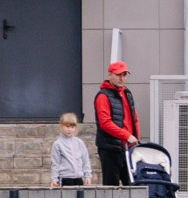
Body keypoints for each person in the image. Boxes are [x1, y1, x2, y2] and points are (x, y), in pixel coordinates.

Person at [93, 59, 138, 188]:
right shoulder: (103, 96)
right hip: (110, 149)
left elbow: (134, 119)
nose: (122, 78)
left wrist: (136, 140)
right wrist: (127, 136)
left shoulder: (127, 93)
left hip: (127, 148)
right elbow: (105, 123)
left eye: (124, 75)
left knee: (133, 185)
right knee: (111, 187)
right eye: (118, 75)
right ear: (110, 75)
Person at [51, 112, 90, 186]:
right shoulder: (58, 144)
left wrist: (88, 175)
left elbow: (85, 159)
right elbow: (55, 163)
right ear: (61, 126)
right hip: (65, 178)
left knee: (79, 197)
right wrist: (54, 179)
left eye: (72, 127)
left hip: (78, 178)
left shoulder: (79, 142)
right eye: (67, 127)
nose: (70, 130)